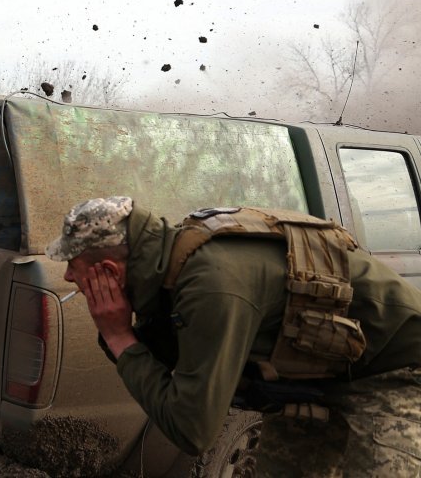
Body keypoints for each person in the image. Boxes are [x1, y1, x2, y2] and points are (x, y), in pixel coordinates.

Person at [45, 196, 421, 476]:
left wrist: (120, 338)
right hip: (319, 377)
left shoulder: (210, 286)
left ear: (109, 268)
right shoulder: (167, 268)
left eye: (72, 266)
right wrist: (120, 332)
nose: (67, 279)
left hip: (398, 372)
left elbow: (192, 430)